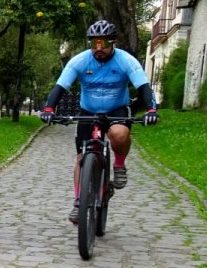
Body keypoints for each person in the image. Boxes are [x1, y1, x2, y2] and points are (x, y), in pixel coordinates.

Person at [39, 20, 159, 223]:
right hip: (89, 110)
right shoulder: (80, 61)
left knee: (119, 135)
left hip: (117, 109)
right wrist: (49, 108)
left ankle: (119, 165)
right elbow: (60, 86)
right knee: (81, 158)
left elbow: (143, 86)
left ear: (113, 42)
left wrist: (151, 109)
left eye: (103, 43)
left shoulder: (125, 60)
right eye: (94, 44)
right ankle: (79, 202)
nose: (98, 49)